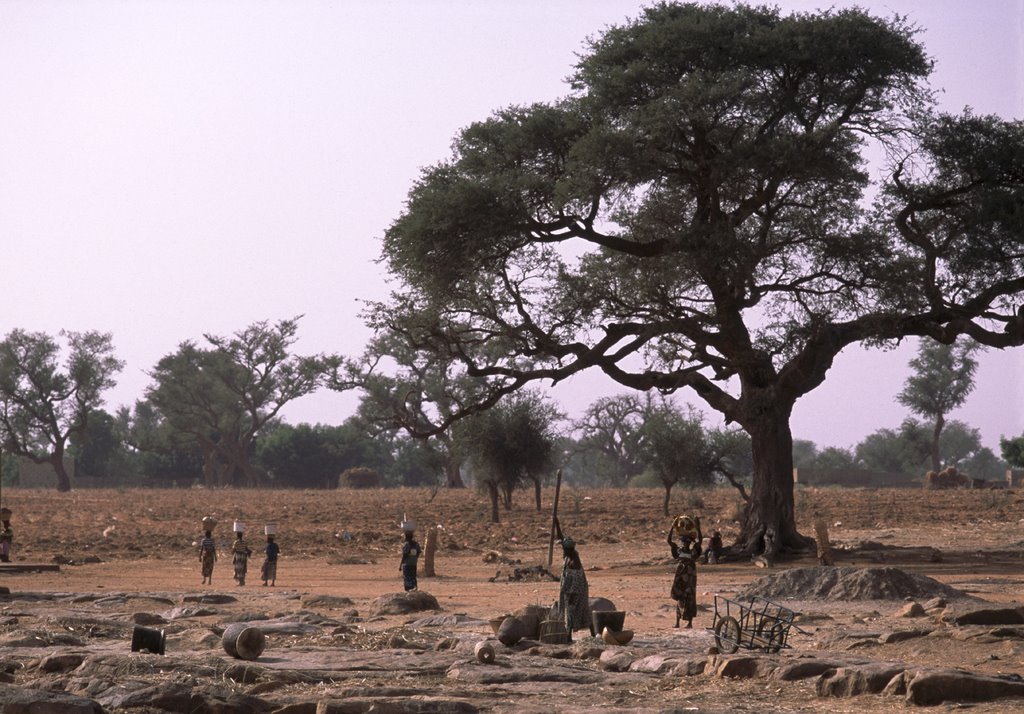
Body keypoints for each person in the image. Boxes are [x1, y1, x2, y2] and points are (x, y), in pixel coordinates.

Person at [554, 516, 594, 641]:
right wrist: (557, 524)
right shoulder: (569, 554)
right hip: (569, 589)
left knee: (576, 611)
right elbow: (561, 538)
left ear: (568, 549)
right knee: (574, 612)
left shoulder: (573, 562)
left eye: (564, 550)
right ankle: (587, 633)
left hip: (576, 590)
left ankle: (569, 636)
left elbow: (576, 583)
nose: (562, 553)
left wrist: (571, 596)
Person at [668, 514, 702, 628]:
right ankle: (677, 622)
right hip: (681, 575)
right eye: (683, 542)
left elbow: (700, 541)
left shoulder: (693, 552)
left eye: (687, 542)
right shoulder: (678, 551)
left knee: (690, 597)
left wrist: (698, 527)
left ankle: (690, 623)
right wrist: (672, 527)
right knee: (679, 596)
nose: (685, 543)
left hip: (690, 576)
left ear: (690, 543)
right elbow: (669, 541)